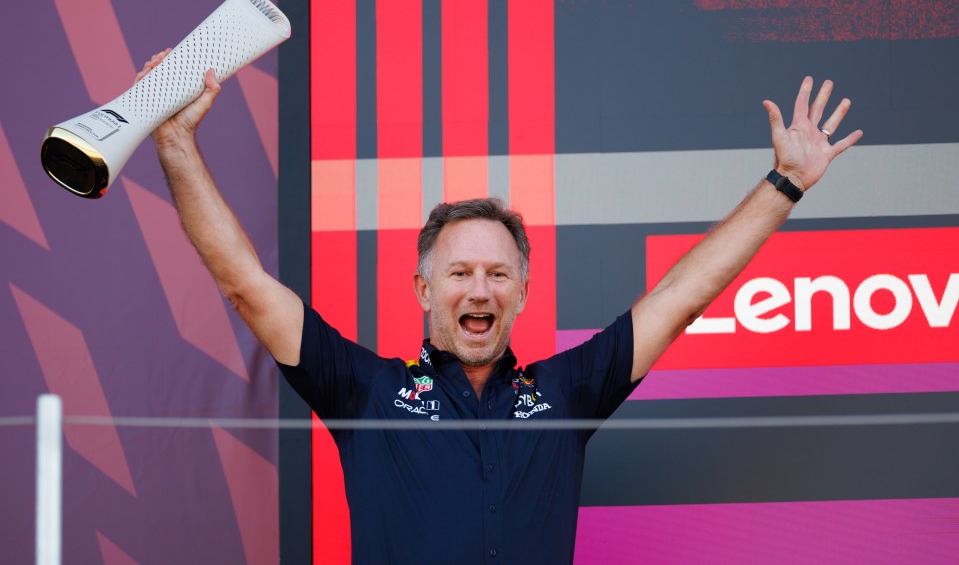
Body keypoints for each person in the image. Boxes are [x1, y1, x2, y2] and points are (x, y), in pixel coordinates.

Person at [138, 50, 862, 563]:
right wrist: (173, 140)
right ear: (425, 290)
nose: (478, 290)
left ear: (521, 292)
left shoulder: (566, 391)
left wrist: (785, 183)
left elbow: (682, 295)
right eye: (458, 273)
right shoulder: (366, 391)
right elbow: (245, 284)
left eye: (495, 274)